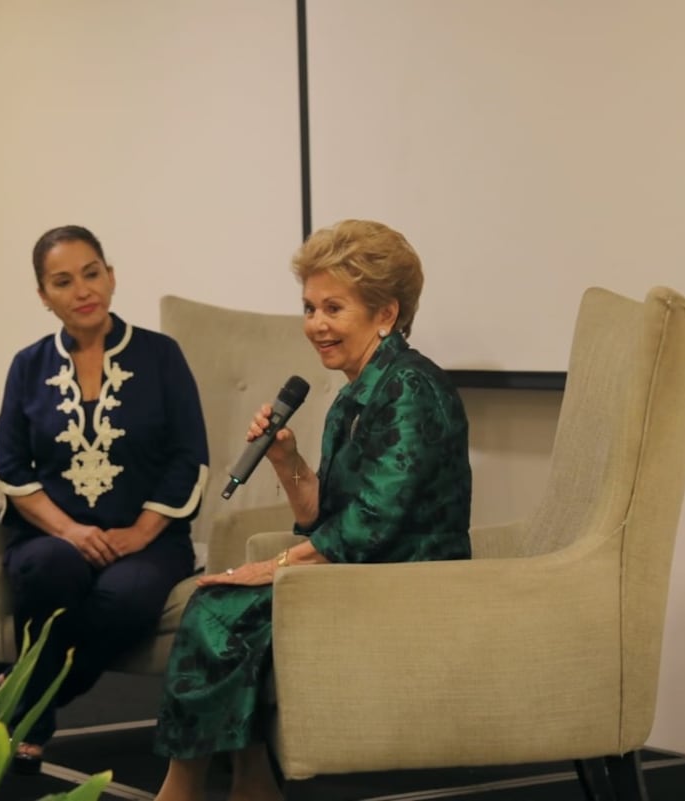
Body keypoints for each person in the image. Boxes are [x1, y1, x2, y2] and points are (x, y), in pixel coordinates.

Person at [151, 219, 472, 801]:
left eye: (333, 308)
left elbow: (370, 524)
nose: (316, 325)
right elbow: (326, 518)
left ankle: (188, 789)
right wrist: (286, 459)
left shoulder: (411, 389)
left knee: (218, 609)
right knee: (222, 605)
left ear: (385, 314)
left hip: (410, 585)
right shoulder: (355, 394)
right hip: (363, 572)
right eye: (309, 308)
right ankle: (249, 781)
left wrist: (273, 568)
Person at [0, 224, 208, 773]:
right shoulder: (28, 366)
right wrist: (70, 531)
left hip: (149, 541)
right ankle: (31, 718)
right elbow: (12, 469)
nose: (82, 290)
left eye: (91, 273)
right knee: (48, 570)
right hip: (52, 535)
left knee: (127, 597)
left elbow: (189, 458)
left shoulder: (161, 356)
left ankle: (25, 698)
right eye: (63, 281)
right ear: (44, 296)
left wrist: (139, 532)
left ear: (111, 277)